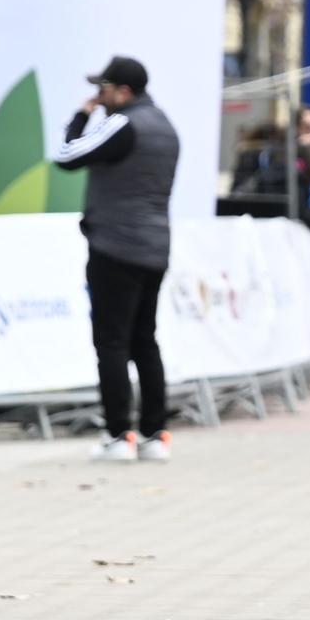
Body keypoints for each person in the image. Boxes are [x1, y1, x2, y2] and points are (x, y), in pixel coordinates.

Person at [53, 56, 182, 464]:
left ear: (123, 92)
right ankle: (153, 435)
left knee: (111, 342)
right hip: (156, 246)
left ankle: (116, 436)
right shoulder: (166, 126)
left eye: (103, 90)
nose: (98, 97)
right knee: (145, 340)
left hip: (115, 246)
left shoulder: (124, 123)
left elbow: (66, 154)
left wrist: (80, 115)